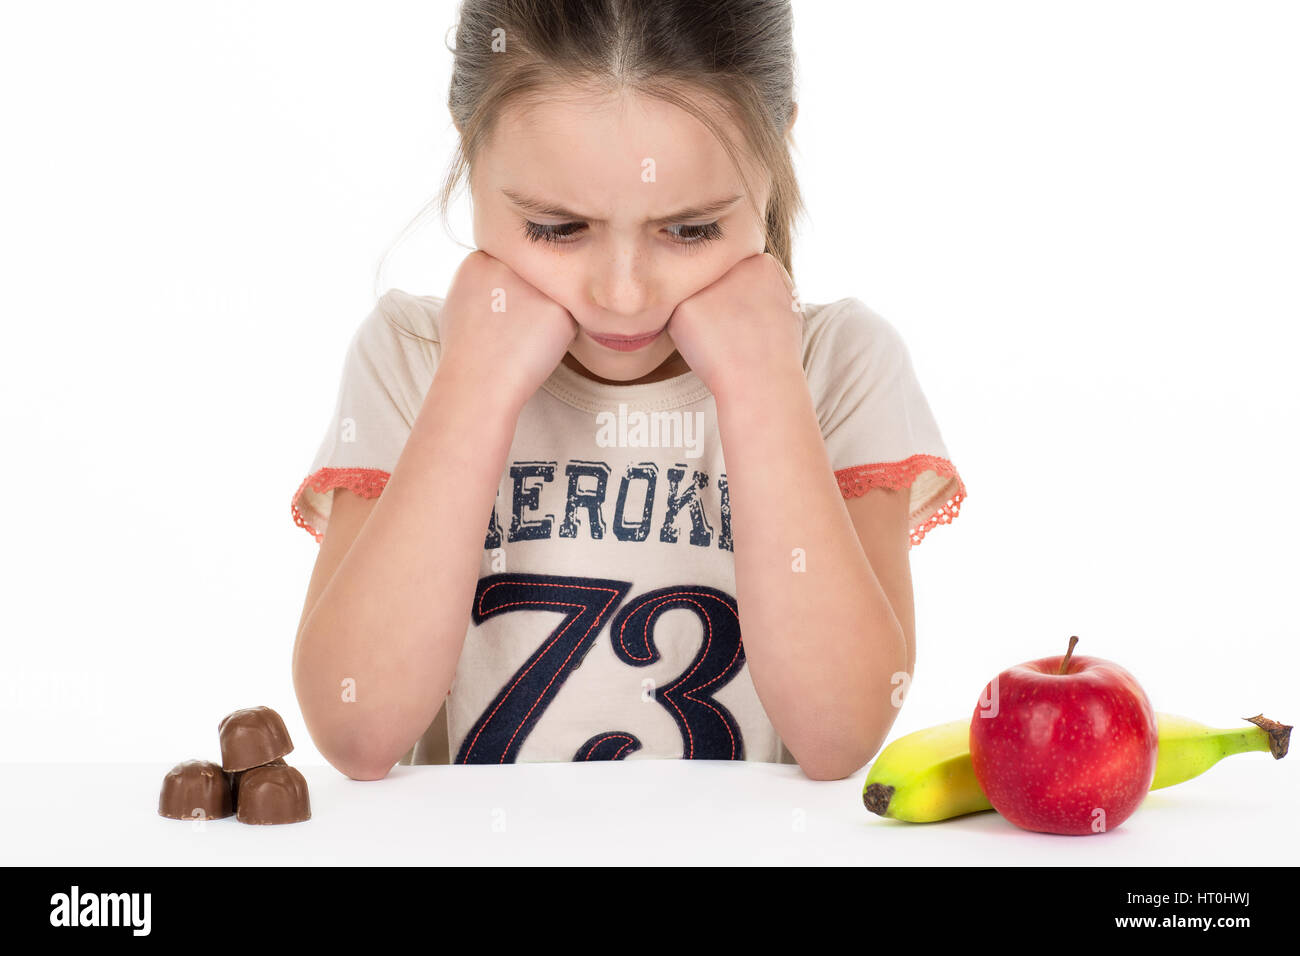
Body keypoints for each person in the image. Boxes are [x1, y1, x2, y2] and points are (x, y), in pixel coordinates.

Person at [290, 0, 966, 781]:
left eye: (689, 230)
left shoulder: (836, 365)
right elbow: (356, 729)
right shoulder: (412, 358)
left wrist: (760, 385)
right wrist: (474, 385)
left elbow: (841, 736)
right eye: (554, 227)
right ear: (469, 147)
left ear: (777, 150)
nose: (622, 293)